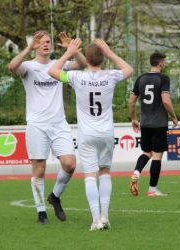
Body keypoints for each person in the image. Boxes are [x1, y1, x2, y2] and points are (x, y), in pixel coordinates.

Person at [48, 38, 133, 231]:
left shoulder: (77, 77)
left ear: (86, 59)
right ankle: (105, 216)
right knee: (104, 173)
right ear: (103, 59)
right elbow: (129, 70)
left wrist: (69, 53)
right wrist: (109, 51)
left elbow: (52, 72)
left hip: (87, 134)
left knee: (89, 176)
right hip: (106, 133)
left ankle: (96, 220)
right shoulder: (110, 76)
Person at [7, 31, 86, 225]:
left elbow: (83, 65)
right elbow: (11, 66)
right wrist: (27, 48)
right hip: (37, 125)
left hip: (59, 123)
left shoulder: (58, 64)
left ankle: (55, 196)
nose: (46, 44)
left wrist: (71, 49)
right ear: (35, 45)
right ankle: (41, 212)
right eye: (41, 42)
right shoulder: (28, 67)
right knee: (39, 169)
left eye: (48, 41)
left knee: (70, 163)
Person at [128, 52, 178, 197]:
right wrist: (174, 117)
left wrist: (134, 118)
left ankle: (136, 172)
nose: (166, 63)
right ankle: (152, 190)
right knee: (157, 156)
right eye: (165, 61)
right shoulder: (163, 78)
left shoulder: (141, 78)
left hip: (145, 123)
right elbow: (166, 101)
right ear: (160, 63)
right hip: (159, 123)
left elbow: (131, 101)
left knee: (146, 153)